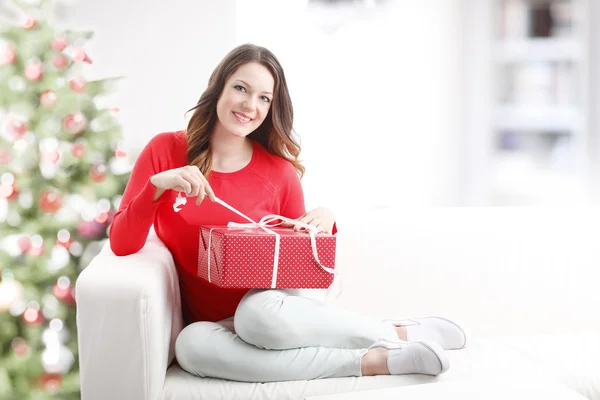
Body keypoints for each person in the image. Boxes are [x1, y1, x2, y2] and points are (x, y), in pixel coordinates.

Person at [109, 43, 467, 383]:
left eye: (264, 98)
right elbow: (122, 243)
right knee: (190, 345)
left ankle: (397, 333)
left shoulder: (279, 174)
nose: (250, 105)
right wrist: (156, 187)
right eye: (241, 88)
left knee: (254, 316)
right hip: (213, 324)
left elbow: (301, 274)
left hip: (270, 312)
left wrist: (323, 220)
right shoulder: (165, 151)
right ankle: (376, 361)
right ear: (218, 88)